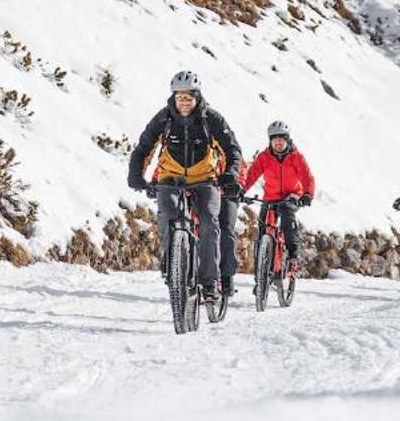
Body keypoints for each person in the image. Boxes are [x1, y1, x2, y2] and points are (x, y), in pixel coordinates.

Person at [127, 70, 242, 295]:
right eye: (179, 98)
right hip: (170, 177)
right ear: (173, 98)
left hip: (204, 179)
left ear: (197, 97)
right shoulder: (163, 119)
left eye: (188, 98)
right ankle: (172, 261)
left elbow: (232, 149)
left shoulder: (212, 119)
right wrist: (137, 177)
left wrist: (230, 174)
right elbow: (143, 148)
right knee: (166, 216)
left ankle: (209, 281)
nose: (184, 103)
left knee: (209, 222)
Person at [238, 120, 315, 266]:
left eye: (281, 140)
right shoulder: (264, 157)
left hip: (291, 196)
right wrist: (241, 189)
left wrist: (307, 194)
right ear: (270, 141)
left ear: (287, 140)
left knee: (287, 213)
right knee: (262, 228)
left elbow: (307, 177)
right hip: (271, 198)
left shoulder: (296, 157)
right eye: (275, 140)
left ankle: (292, 255)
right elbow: (251, 175)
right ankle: (260, 275)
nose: (278, 143)